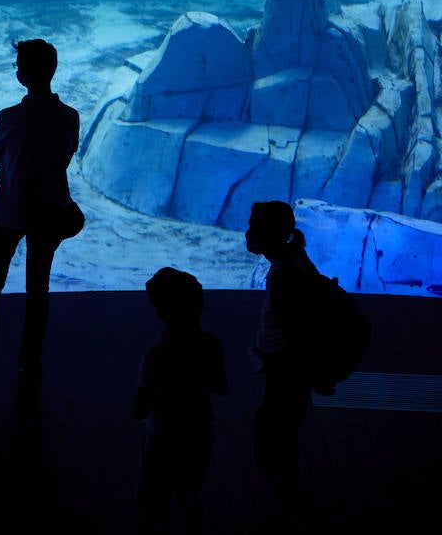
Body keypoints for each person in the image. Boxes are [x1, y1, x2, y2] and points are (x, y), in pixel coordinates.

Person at [0, 38, 80, 393]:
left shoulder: (10, 117)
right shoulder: (69, 116)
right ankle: (30, 363)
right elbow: (66, 154)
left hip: (8, 211)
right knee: (37, 289)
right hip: (50, 212)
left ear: (24, 74)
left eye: (18, 66)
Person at [244, 200, 326, 532]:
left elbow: (297, 332)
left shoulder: (285, 274)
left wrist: (274, 364)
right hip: (288, 378)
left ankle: (306, 520)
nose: (247, 233)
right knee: (281, 456)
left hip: (283, 380)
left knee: (274, 456)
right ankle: (283, 518)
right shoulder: (295, 262)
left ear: (270, 234)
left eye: (253, 226)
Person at [133, 267, 227, 535]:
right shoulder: (211, 344)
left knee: (154, 505)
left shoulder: (155, 353)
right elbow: (220, 387)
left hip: (161, 436)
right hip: (199, 433)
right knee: (190, 499)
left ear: (161, 311)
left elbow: (139, 408)